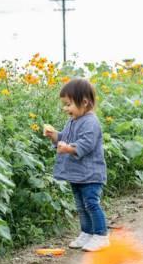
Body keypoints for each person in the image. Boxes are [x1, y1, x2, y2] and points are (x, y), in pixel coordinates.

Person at [44, 78, 109, 252]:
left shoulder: (91, 122)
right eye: (64, 105)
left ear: (85, 102)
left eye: (68, 104)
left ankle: (101, 235)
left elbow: (86, 144)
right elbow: (64, 138)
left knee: (91, 203)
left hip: (91, 174)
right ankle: (87, 233)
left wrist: (68, 148)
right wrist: (54, 136)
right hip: (77, 174)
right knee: (80, 206)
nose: (65, 109)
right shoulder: (72, 121)